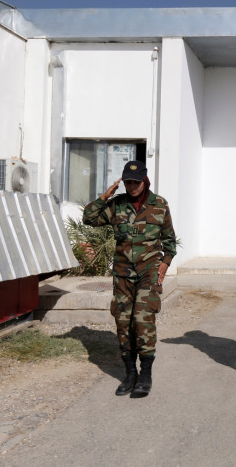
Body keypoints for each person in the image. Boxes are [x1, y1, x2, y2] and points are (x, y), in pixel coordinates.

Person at [83, 160, 176, 398]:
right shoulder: (117, 205)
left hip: (148, 274)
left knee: (143, 321)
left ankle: (145, 374)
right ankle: (129, 373)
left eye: (136, 182)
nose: (132, 186)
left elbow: (170, 242)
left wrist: (164, 266)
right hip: (123, 275)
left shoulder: (160, 205)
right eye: (127, 182)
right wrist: (105, 196)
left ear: (145, 181)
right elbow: (89, 218)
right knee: (123, 322)